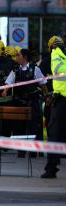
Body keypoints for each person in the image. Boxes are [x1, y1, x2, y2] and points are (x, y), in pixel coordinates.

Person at [2, 49, 50, 157]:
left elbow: (43, 84)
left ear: (24, 57)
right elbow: (8, 83)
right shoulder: (15, 70)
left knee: (34, 126)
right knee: (19, 126)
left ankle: (35, 150)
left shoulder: (35, 69)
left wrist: (47, 96)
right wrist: (5, 91)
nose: (16, 57)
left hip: (32, 102)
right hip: (19, 102)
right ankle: (21, 150)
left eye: (18, 55)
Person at [41, 36, 66, 178]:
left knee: (55, 134)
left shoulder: (55, 55)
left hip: (60, 100)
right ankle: (52, 166)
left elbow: (57, 72)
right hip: (57, 99)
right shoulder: (59, 56)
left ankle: (51, 167)